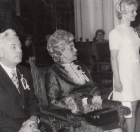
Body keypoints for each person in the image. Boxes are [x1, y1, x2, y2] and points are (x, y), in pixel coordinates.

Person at [45, 29, 122, 132]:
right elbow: (54, 102)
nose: (76, 50)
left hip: (93, 110)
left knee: (117, 130)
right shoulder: (53, 72)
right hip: (74, 116)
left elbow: (93, 87)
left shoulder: (82, 67)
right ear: (60, 52)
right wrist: (80, 107)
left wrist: (96, 98)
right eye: (71, 48)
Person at [0, 29, 40, 132]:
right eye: (13, 47)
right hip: (2, 128)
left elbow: (32, 100)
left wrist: (34, 118)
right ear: (0, 52)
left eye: (20, 46)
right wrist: (20, 128)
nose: (20, 50)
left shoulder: (25, 71)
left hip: (27, 125)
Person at [109, 0, 139, 132]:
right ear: (123, 12)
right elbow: (113, 58)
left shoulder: (133, 30)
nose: (136, 13)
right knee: (127, 107)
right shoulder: (116, 32)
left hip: (135, 72)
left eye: (135, 10)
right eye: (132, 11)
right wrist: (117, 80)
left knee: (134, 105)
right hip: (124, 73)